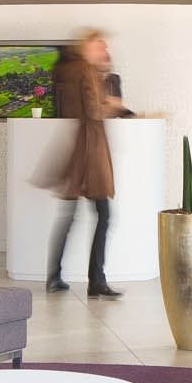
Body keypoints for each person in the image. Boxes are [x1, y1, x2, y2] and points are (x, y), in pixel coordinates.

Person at [46, 29, 122, 298]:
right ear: (88, 47)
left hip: (83, 151)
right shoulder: (86, 70)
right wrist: (112, 105)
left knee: (71, 216)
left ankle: (55, 276)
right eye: (100, 45)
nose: (104, 50)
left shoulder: (75, 70)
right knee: (104, 215)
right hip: (91, 154)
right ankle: (95, 280)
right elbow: (93, 111)